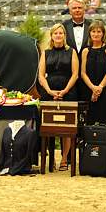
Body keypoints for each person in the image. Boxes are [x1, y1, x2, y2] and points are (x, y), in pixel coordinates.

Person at [38, 23, 79, 171]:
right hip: (48, 93)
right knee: (48, 127)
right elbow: (41, 75)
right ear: (51, 36)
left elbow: (75, 74)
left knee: (66, 128)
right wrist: (49, 91)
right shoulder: (46, 52)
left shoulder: (72, 52)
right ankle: (50, 160)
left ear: (64, 36)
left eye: (61, 33)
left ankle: (64, 159)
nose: (58, 36)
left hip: (68, 92)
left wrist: (65, 91)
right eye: (56, 33)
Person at [81, 20, 106, 126]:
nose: (96, 34)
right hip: (89, 91)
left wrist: (99, 88)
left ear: (103, 34)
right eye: (93, 31)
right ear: (89, 33)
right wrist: (93, 88)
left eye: (99, 31)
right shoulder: (85, 51)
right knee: (89, 123)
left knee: (104, 123)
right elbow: (83, 73)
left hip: (105, 91)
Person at [62, 0, 92, 101]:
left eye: (80, 7)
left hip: (89, 73)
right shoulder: (63, 26)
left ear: (84, 9)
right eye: (74, 8)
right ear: (70, 11)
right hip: (68, 74)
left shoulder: (92, 26)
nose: (77, 10)